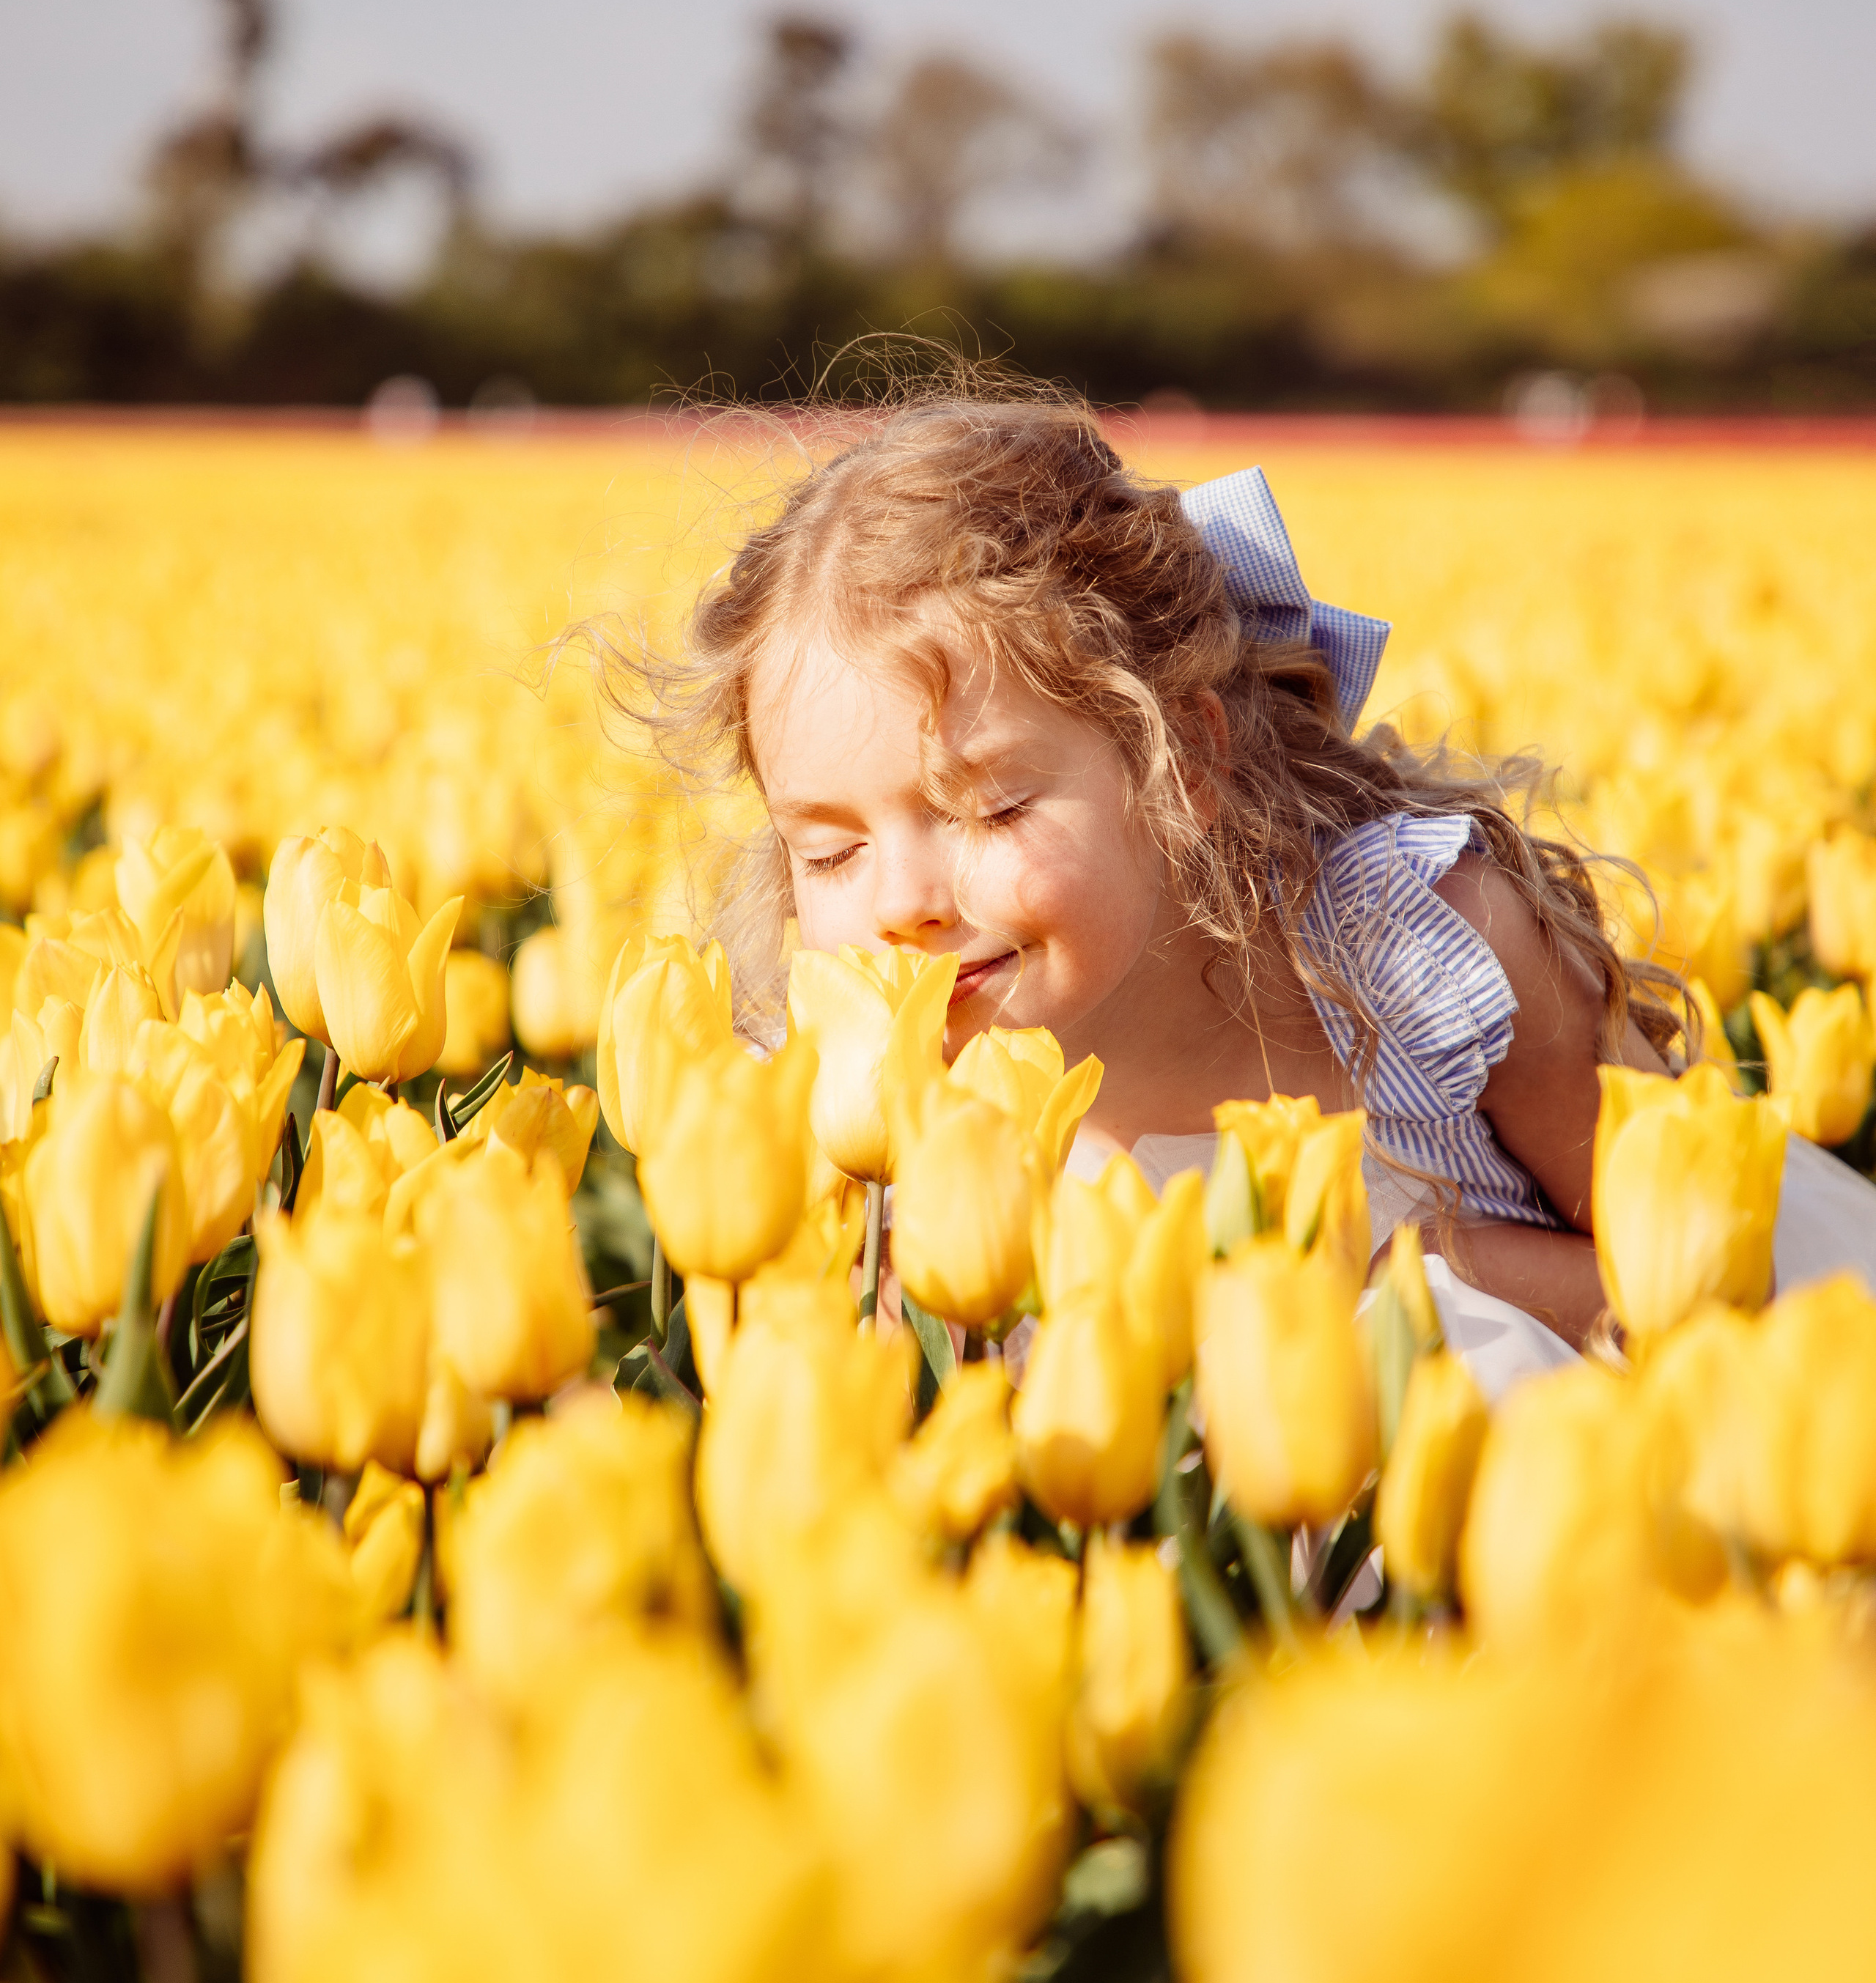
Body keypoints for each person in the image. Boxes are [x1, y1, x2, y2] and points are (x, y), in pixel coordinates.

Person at [635, 372, 1876, 1383]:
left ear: (1187, 757)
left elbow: (1717, 1285)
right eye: (831, 852)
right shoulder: (849, 1078)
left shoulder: (1423, 954)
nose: (901, 900)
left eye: (991, 806)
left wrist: (1418, 1269)